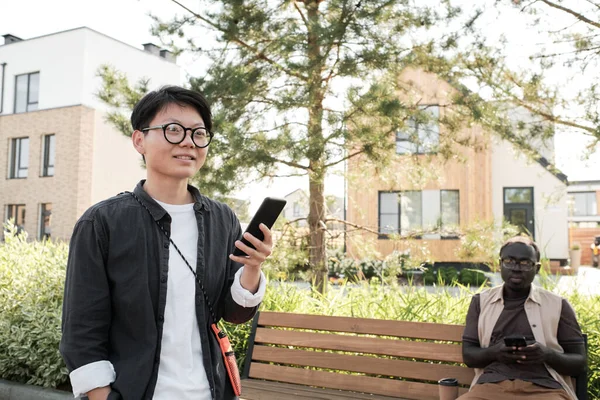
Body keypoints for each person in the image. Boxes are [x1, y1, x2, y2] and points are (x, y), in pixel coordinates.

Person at [60, 86, 271, 400]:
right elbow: (81, 330)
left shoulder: (222, 218)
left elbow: (233, 314)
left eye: (199, 133)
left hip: (209, 392)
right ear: (139, 140)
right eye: (173, 130)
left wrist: (252, 267)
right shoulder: (103, 222)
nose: (188, 141)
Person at [459, 236, 587, 400]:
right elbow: (469, 355)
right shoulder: (481, 302)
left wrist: (548, 354)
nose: (516, 268)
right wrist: (495, 352)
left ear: (537, 268)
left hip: (544, 389)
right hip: (491, 388)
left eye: (525, 263)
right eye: (509, 261)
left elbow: (579, 362)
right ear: (500, 265)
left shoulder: (558, 305)